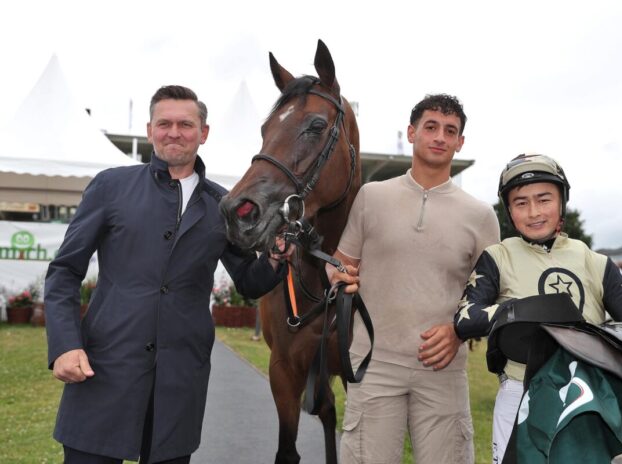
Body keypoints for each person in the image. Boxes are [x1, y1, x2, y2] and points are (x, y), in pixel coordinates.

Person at [44, 85, 291, 464]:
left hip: (180, 380)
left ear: (203, 133)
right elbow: (64, 271)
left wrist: (275, 256)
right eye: (164, 124)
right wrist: (64, 345)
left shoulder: (224, 204)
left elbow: (249, 280)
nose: (174, 132)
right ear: (150, 131)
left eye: (185, 124)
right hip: (104, 369)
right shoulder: (111, 187)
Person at [328, 94, 500, 463]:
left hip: (443, 366)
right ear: (411, 133)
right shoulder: (371, 197)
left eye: (450, 131)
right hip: (373, 361)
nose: (440, 137)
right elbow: (340, 264)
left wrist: (459, 331)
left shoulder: (481, 215)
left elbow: (491, 295)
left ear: (460, 142)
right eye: (431, 127)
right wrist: (340, 276)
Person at [453, 153, 622, 463]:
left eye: (544, 200)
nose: (534, 212)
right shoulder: (497, 257)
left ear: (562, 202)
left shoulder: (595, 262)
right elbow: (465, 319)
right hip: (518, 392)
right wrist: (527, 312)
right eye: (521, 203)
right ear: (509, 210)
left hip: (584, 396)